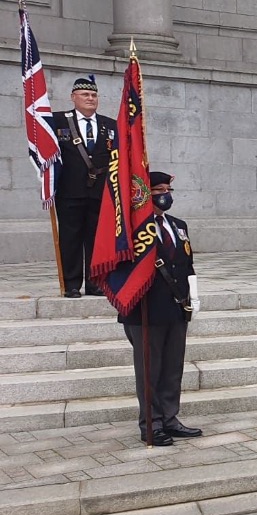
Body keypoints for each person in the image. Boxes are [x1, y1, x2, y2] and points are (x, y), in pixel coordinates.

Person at [121, 172, 202, 446]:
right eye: (158, 189)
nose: (165, 194)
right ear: (145, 193)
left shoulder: (178, 225)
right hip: (145, 309)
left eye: (168, 188)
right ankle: (151, 424)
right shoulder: (131, 229)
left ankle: (170, 418)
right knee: (149, 369)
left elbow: (186, 266)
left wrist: (193, 298)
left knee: (172, 367)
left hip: (176, 307)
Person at [51, 76, 118, 298]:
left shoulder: (109, 125)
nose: (90, 98)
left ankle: (94, 281)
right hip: (69, 190)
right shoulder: (58, 121)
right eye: (85, 95)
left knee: (95, 238)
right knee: (70, 237)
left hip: (99, 191)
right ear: (73, 97)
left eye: (94, 95)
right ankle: (71, 283)